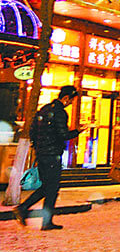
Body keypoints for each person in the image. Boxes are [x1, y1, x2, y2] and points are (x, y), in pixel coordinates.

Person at [15, 85, 82, 230]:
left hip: (42, 154)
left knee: (47, 187)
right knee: (52, 188)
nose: (70, 103)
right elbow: (63, 135)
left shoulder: (44, 109)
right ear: (65, 98)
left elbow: (33, 130)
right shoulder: (60, 113)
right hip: (52, 155)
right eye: (70, 100)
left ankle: (26, 210)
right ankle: (41, 219)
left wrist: (37, 147)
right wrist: (77, 132)